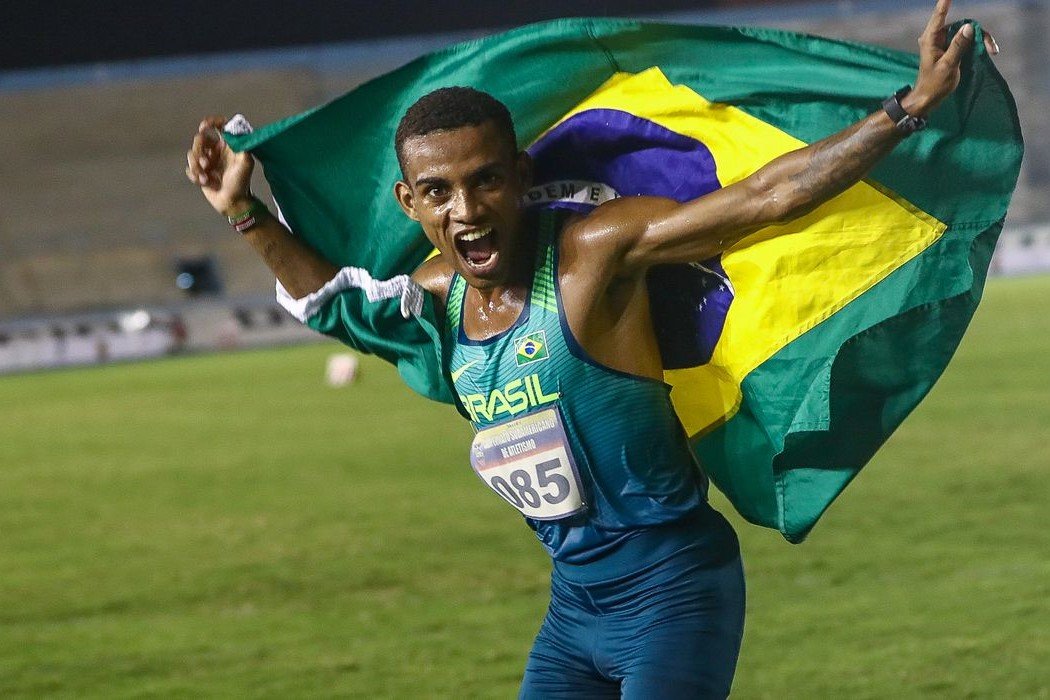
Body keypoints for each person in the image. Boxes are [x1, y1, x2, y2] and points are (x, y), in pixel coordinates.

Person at [186, 2, 995, 696]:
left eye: (486, 180)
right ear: (410, 202)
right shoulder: (438, 296)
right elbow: (337, 303)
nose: (466, 209)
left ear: (520, 172)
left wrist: (909, 108)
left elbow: (764, 198)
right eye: (437, 192)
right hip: (574, 610)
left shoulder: (591, 257)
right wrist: (246, 214)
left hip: (674, 592)